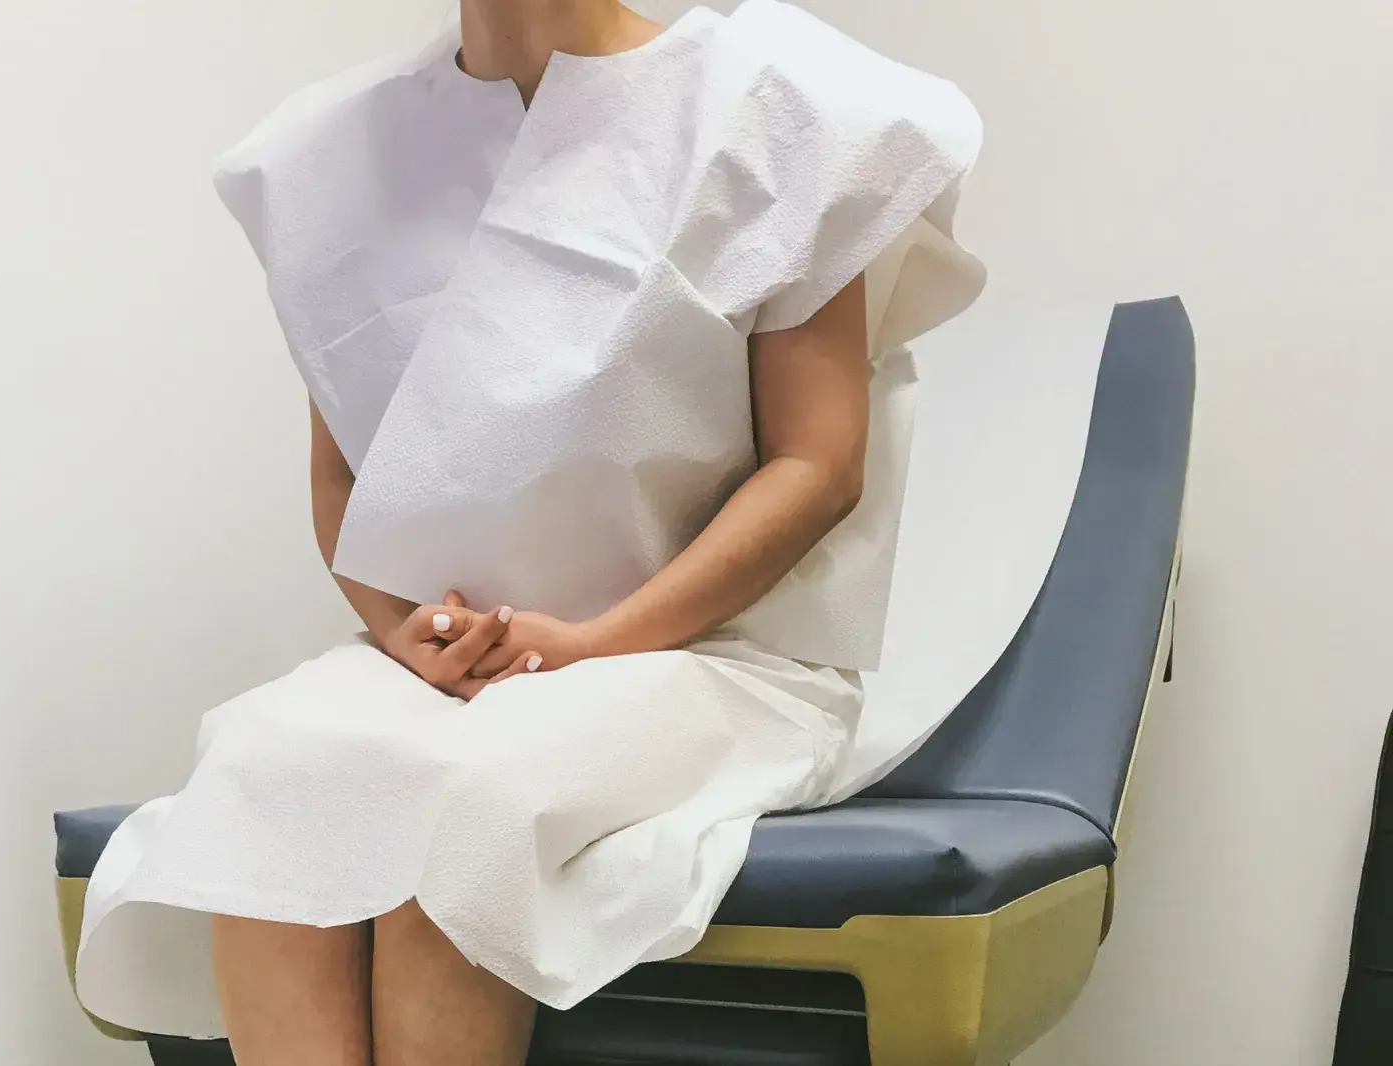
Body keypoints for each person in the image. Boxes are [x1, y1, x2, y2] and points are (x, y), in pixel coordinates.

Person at [73, 1, 985, 1063]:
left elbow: (816, 465)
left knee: (460, 814)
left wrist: (599, 642)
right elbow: (342, 472)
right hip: (448, 666)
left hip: (717, 659)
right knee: (268, 774)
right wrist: (402, 626)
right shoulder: (333, 154)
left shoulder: (776, 109)